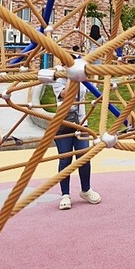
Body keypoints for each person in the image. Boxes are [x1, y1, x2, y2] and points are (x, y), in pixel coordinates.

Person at [51, 77, 101, 210]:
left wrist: (91, 74)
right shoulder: (57, 75)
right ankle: (65, 194)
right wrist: (71, 75)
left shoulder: (81, 74)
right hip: (63, 124)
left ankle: (86, 190)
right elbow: (67, 94)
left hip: (81, 122)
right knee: (65, 159)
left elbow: (93, 88)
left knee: (84, 158)